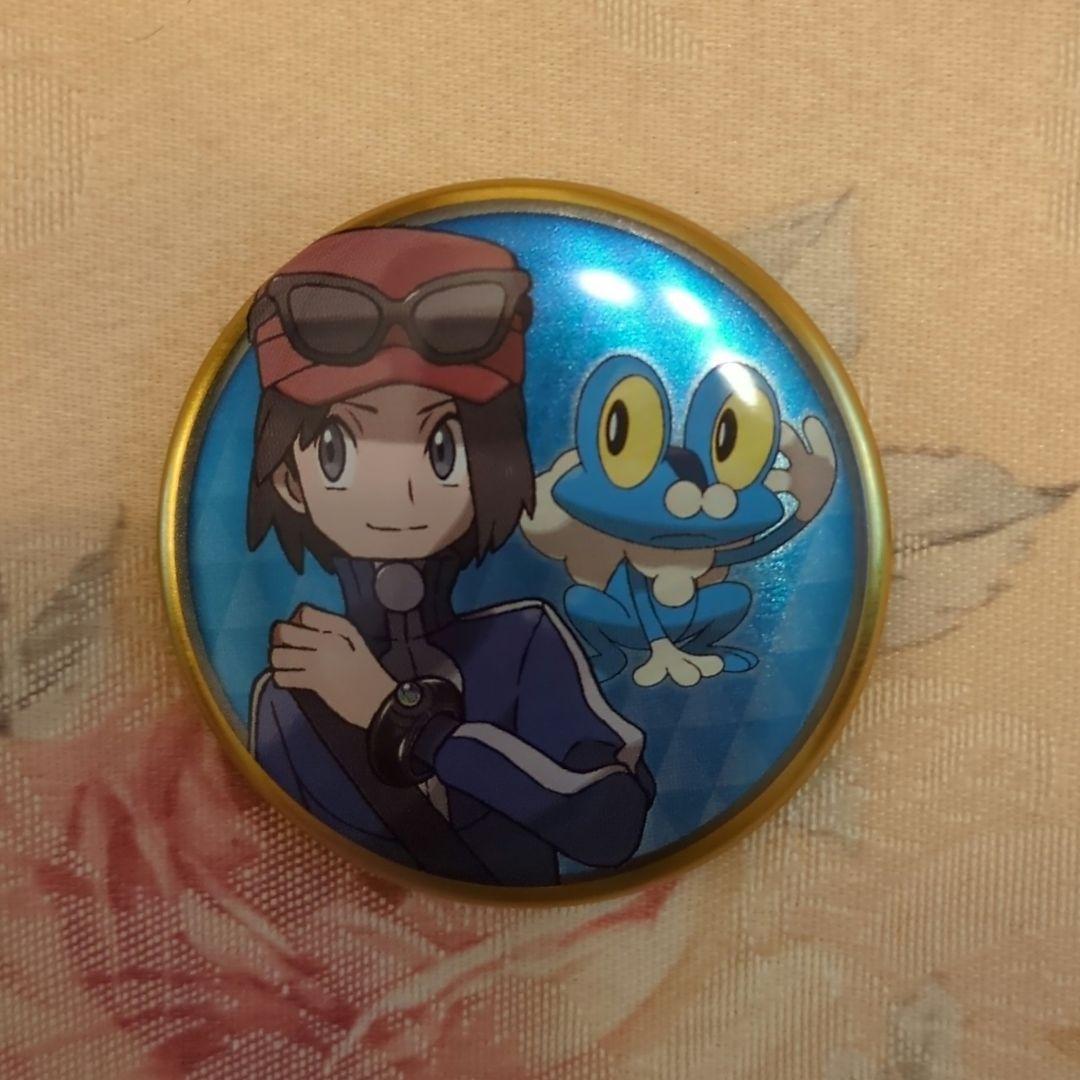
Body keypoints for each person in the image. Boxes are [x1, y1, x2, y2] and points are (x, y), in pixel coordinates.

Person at [244, 226, 654, 886]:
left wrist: (401, 719)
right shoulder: (293, 694)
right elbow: (298, 873)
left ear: (493, 466)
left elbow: (612, 827)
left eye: (442, 449)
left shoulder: (524, 645)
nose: (399, 491)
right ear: (291, 482)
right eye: (338, 451)